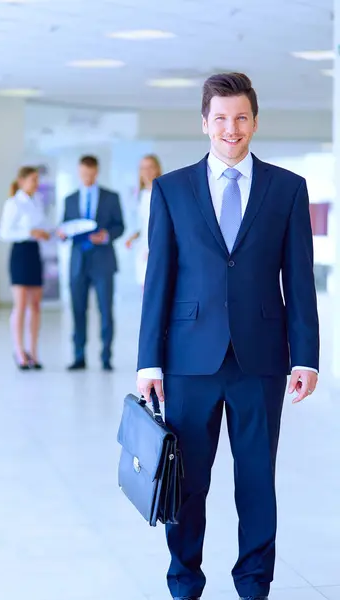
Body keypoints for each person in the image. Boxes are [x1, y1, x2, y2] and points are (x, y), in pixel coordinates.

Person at [136, 73, 319, 600]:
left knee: (257, 481)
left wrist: (304, 355)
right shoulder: (171, 189)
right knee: (187, 484)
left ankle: (253, 584)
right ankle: (184, 582)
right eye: (220, 118)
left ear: (255, 122)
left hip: (261, 360)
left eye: (240, 117)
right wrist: (149, 360)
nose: (230, 128)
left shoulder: (287, 188)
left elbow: (299, 278)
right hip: (188, 361)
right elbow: (159, 280)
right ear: (204, 123)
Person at [59, 155, 124, 371]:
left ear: (96, 172)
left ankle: (106, 356)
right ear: (79, 172)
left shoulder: (111, 197)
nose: (86, 177)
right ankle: (79, 356)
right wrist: (62, 233)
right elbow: (65, 226)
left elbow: (119, 226)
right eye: (83, 174)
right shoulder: (69, 199)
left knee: (105, 309)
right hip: (78, 262)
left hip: (103, 260)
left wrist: (106, 235)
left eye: (90, 173)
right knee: (78, 309)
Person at [0, 166, 50, 370]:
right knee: (20, 304)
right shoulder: (13, 203)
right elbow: (5, 233)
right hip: (20, 253)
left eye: (37, 180)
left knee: (35, 305)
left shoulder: (37, 201)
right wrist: (30, 232)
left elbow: (44, 225)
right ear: (21, 181)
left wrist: (45, 233)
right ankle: (19, 350)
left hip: (34, 253)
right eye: (32, 180)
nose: (36, 184)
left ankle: (33, 351)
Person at [125, 154, 162, 287]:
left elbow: (163, 226)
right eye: (143, 168)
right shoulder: (140, 195)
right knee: (144, 288)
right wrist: (133, 237)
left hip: (157, 250)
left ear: (157, 169)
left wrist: (153, 249)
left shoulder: (163, 193)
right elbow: (145, 223)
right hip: (142, 249)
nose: (147, 171)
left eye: (150, 167)